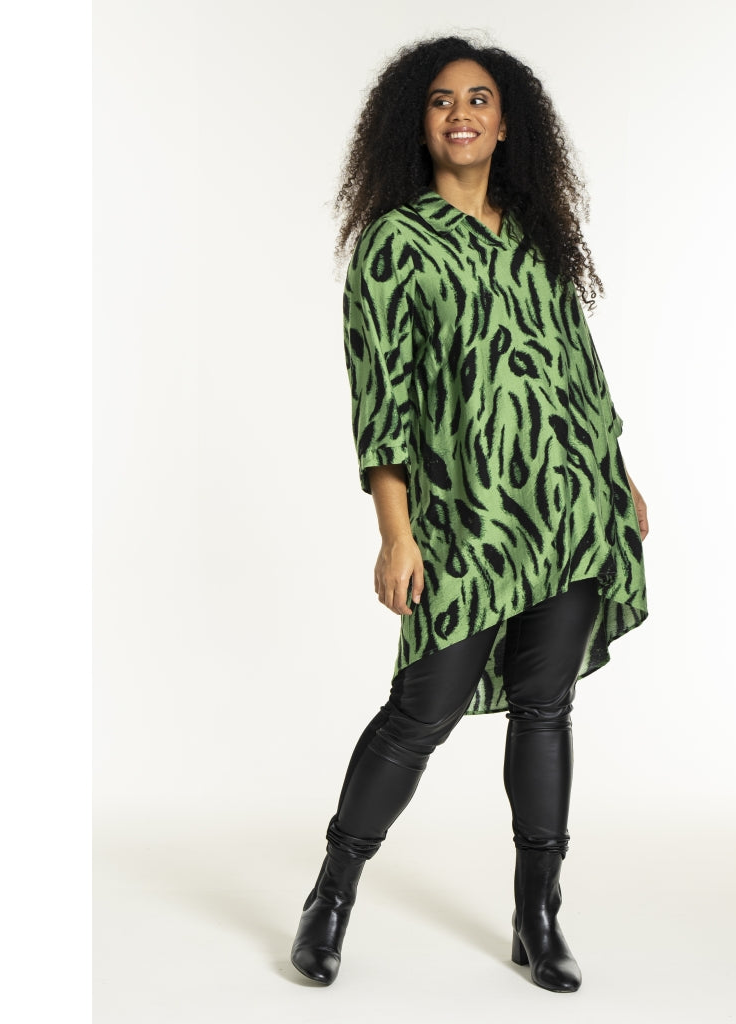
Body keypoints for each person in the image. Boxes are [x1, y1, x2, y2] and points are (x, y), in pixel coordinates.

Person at [289, 35, 649, 992]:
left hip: (569, 506)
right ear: (417, 122)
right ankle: (332, 891)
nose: (461, 113)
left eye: (480, 99)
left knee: (545, 706)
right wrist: (395, 533)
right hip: (466, 521)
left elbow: (581, 371)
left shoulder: (536, 235)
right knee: (421, 711)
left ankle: (539, 913)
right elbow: (384, 403)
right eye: (443, 100)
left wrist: (619, 477)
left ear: (506, 123)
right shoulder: (395, 245)